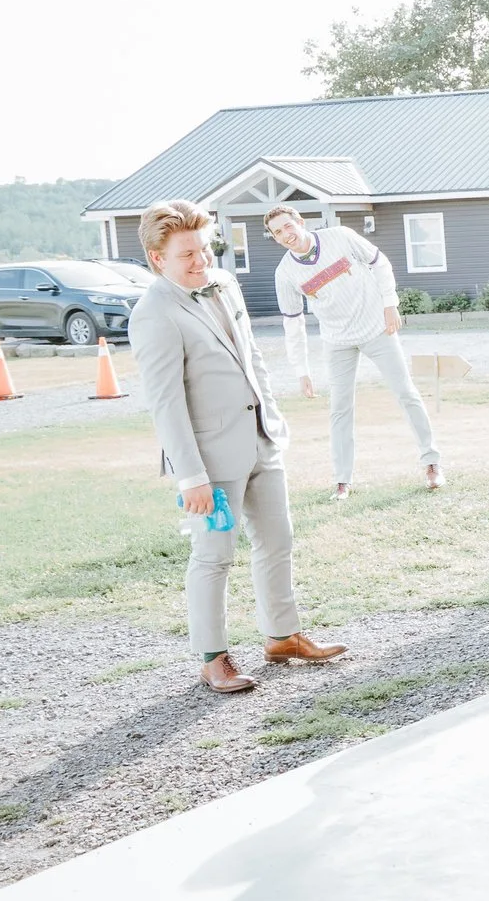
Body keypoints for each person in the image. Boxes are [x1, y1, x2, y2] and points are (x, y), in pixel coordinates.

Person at [129, 200, 348, 695]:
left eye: (205, 248)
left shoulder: (224, 285)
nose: (201, 260)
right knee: (213, 557)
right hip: (207, 461)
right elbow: (165, 404)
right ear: (156, 257)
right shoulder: (153, 314)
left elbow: (252, 359)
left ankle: (284, 636)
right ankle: (213, 658)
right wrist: (190, 477)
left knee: (278, 540)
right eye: (187, 253)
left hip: (260, 440)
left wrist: (273, 419)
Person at [264, 204, 443, 498]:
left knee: (406, 393)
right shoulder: (285, 273)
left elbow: (379, 261)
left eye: (288, 226)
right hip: (337, 341)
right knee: (340, 409)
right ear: (273, 237)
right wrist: (301, 370)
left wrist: (390, 303)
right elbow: (292, 324)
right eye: (277, 232)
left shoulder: (340, 236)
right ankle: (342, 480)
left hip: (376, 328)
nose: (286, 234)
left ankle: (432, 463)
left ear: (300, 222)